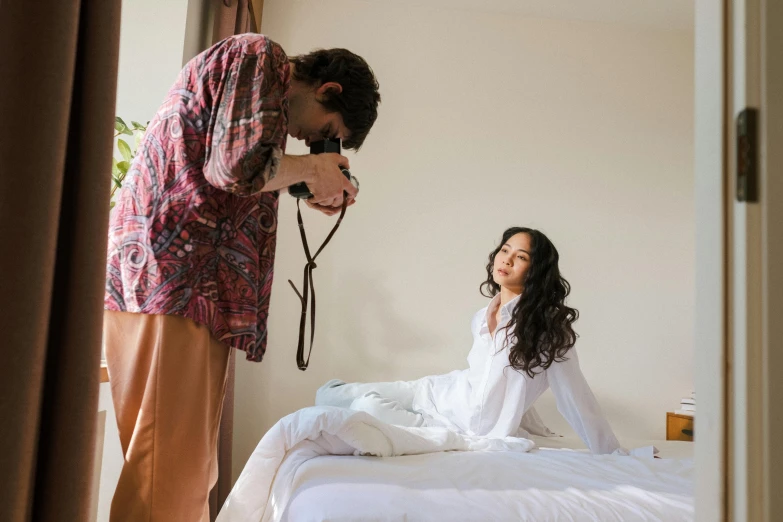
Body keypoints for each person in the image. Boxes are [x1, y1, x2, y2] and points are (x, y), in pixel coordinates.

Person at [103, 33, 380, 521]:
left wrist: (306, 176)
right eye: (328, 129)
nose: (312, 140)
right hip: (178, 280)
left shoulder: (258, 94)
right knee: (170, 471)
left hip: (174, 281)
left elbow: (235, 165)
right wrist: (313, 168)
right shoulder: (261, 55)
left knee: (178, 466)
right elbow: (232, 166)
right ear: (329, 88)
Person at [316, 227, 625, 454]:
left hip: (462, 429)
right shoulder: (481, 316)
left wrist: (613, 454)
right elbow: (499, 384)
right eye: (505, 250)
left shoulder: (547, 330)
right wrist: (526, 419)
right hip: (436, 392)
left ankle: (438, 440)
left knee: (365, 406)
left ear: (535, 271)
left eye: (521, 257)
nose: (507, 259)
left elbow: (575, 397)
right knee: (330, 394)